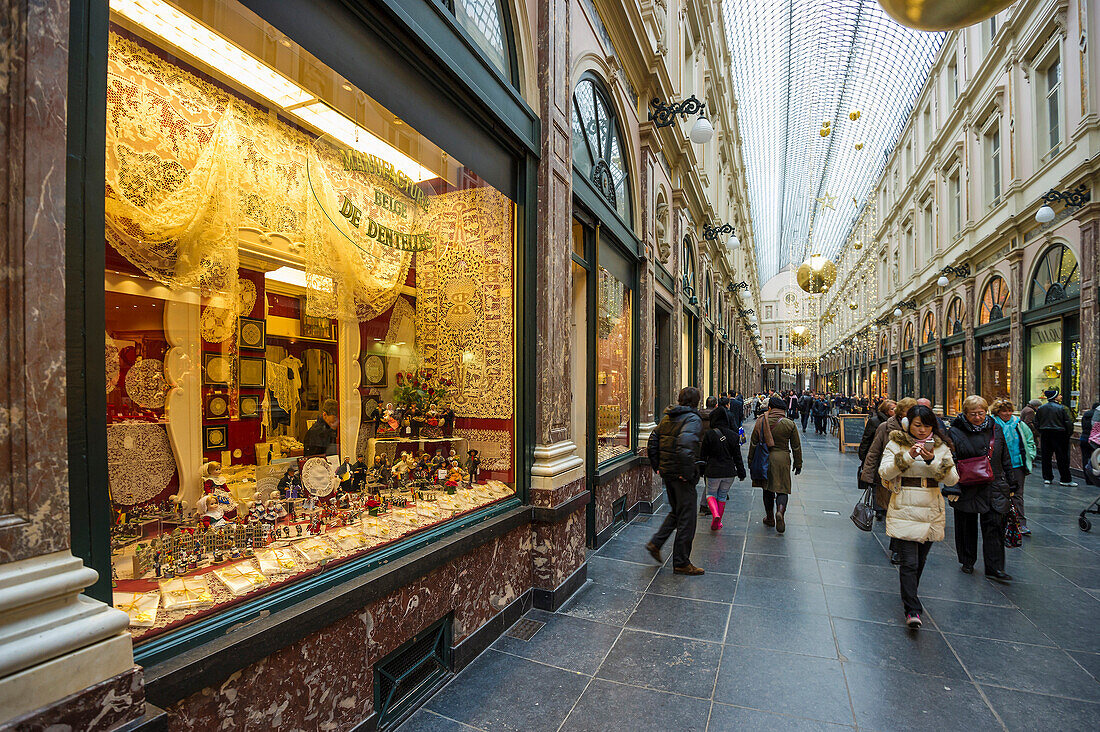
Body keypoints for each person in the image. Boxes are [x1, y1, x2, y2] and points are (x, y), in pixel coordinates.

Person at [878, 404, 959, 628]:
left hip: (930, 506)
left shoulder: (941, 447)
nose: (922, 430)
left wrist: (933, 460)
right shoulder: (897, 443)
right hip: (905, 504)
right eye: (917, 425)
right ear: (908, 425)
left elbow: (952, 479)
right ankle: (912, 609)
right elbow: (884, 472)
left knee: (920, 560)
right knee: (910, 562)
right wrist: (907, 457)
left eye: (926, 426)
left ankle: (910, 593)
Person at [948, 395, 1014, 582]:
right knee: (966, 524)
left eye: (981, 413)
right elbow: (950, 460)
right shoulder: (954, 431)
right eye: (973, 414)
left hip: (994, 483)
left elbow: (1004, 455)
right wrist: (953, 485)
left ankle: (995, 568)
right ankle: (967, 560)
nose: (978, 417)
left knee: (994, 525)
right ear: (965, 413)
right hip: (967, 484)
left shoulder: (996, 428)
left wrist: (1011, 481)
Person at [645, 387, 706, 575]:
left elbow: (652, 440)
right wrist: (687, 474)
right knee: (687, 519)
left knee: (677, 512)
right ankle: (681, 562)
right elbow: (685, 448)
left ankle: (656, 543)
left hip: (668, 473)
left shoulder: (668, 417)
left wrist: (658, 466)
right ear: (696, 401)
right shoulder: (693, 419)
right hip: (681, 476)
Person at [861, 398, 916, 564]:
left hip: (912, 480)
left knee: (906, 515)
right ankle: (897, 549)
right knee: (895, 513)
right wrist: (868, 475)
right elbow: (873, 452)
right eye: (908, 413)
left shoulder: (919, 429)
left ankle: (901, 547)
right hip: (890, 478)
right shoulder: (884, 428)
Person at [749, 396, 803, 533]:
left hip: (765, 458)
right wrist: (798, 463)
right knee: (783, 489)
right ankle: (780, 512)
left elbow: (754, 443)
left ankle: (770, 517)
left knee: (767, 489)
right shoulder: (789, 423)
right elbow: (796, 446)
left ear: (770, 408)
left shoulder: (761, 421)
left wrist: (750, 461)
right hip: (783, 458)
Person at [991, 398, 1037, 535]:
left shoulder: (1019, 424)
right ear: (997, 412)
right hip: (997, 465)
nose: (1007, 413)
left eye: (1009, 410)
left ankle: (1020, 523)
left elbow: (1029, 441)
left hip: (1017, 464)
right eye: (1003, 411)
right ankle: (1000, 522)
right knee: (998, 493)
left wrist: (1031, 455)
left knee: (1017, 494)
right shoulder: (992, 424)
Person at [700, 405, 746, 530]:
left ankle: (714, 514)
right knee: (722, 496)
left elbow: (703, 455)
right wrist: (741, 472)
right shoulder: (733, 435)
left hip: (713, 471)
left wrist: (701, 471)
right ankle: (718, 522)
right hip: (729, 472)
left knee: (710, 494)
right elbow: (737, 457)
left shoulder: (709, 434)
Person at [858, 400, 897, 513]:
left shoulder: (899, 424)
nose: (895, 411)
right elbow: (867, 439)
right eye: (892, 409)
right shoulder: (875, 422)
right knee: (877, 483)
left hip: (890, 457)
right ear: (885, 410)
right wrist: (864, 457)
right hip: (878, 457)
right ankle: (879, 508)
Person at [1036, 388, 1077, 487]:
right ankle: (1065, 479)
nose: (1061, 396)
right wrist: (1067, 434)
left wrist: (1041, 431)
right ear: (1054, 397)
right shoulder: (1062, 408)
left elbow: (1036, 422)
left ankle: (1047, 477)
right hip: (1060, 434)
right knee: (1062, 457)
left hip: (1046, 434)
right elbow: (1068, 423)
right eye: (1059, 395)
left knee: (1046, 457)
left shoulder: (1041, 408)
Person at [1081, 401, 1100, 487]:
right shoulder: (1096, 415)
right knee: (1096, 459)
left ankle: (1088, 479)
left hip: (1085, 438)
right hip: (1095, 440)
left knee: (1086, 458)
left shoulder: (1086, 414)